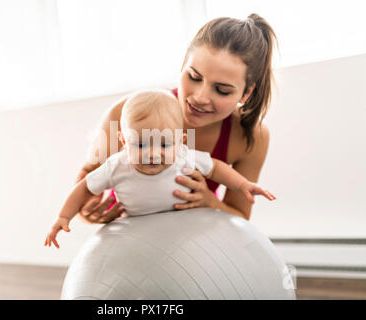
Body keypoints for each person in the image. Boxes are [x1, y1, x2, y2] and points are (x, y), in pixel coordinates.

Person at [75, 14, 277, 224]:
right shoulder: (126, 113)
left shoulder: (250, 136)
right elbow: (86, 185)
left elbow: (241, 217)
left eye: (222, 90)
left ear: (246, 93)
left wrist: (208, 201)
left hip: (195, 236)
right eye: (194, 77)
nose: (200, 97)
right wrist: (88, 212)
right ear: (183, 66)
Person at [45, 89, 275, 248]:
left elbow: (216, 168)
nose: (153, 153)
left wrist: (243, 184)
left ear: (180, 140)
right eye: (141, 144)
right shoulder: (117, 164)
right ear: (124, 142)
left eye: (165, 144)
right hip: (135, 231)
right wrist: (64, 216)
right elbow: (85, 187)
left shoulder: (183, 156)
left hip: (187, 230)